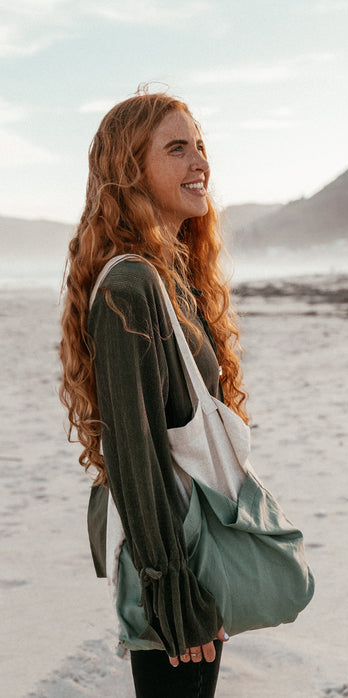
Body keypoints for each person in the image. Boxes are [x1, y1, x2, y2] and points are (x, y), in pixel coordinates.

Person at [59, 89, 249, 698]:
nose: (200, 163)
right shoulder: (132, 286)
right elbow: (132, 453)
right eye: (177, 149)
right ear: (129, 170)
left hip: (192, 550)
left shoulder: (171, 276)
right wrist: (171, 588)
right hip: (174, 563)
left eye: (199, 146)